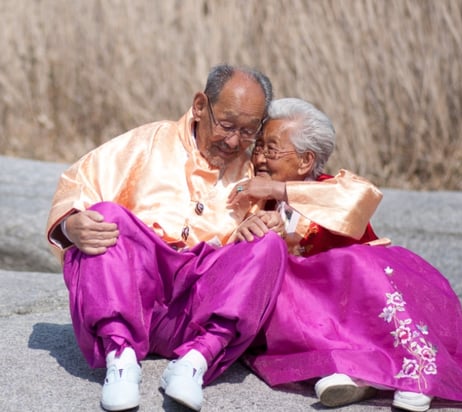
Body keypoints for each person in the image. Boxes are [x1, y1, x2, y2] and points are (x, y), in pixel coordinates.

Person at [227, 98, 462, 411]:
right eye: (258, 147)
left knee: (357, 262)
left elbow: (361, 197)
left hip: (355, 307)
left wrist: (278, 190)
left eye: (271, 149)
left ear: (305, 161)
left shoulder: (331, 188)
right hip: (308, 319)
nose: (260, 158)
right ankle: (360, 375)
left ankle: (412, 373)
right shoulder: (256, 200)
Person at [45, 64, 289, 412]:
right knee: (105, 216)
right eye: (226, 125)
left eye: (248, 131)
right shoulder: (148, 142)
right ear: (200, 106)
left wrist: (263, 227)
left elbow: (255, 263)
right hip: (131, 297)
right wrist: (71, 225)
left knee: (269, 244)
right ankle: (120, 357)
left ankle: (195, 362)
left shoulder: (253, 176)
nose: (234, 141)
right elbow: (76, 185)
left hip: (196, 317)